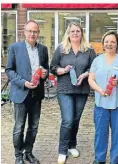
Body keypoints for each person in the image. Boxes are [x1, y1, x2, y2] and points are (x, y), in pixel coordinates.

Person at [50, 22, 96, 164]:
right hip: (64, 89)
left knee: (76, 119)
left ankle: (72, 145)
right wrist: (62, 70)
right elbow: (53, 67)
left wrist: (86, 74)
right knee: (68, 119)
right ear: (68, 34)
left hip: (81, 90)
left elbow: (94, 68)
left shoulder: (89, 50)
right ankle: (62, 150)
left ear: (82, 33)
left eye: (78, 31)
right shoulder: (61, 49)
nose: (75, 33)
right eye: (72, 31)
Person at [5, 20, 49, 164]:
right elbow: (9, 70)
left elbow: (46, 69)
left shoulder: (43, 49)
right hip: (20, 93)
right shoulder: (15, 48)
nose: (32, 33)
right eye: (30, 31)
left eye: (35, 31)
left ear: (38, 33)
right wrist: (23, 82)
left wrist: (45, 74)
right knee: (19, 127)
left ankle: (28, 152)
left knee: (34, 126)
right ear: (24, 32)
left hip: (36, 94)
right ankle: (18, 156)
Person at [88, 30, 118, 164]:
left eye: (112, 42)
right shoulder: (97, 60)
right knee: (100, 133)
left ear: (117, 44)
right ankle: (99, 159)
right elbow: (91, 79)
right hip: (101, 104)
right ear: (103, 44)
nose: (109, 44)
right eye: (107, 42)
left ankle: (114, 160)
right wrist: (99, 90)